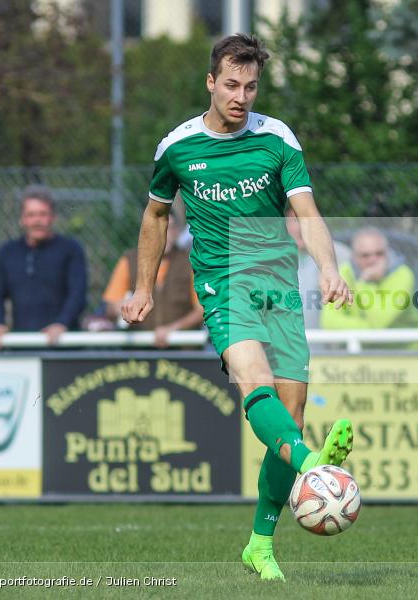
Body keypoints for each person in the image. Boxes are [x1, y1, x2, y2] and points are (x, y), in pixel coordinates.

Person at [121, 34, 354, 581]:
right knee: (256, 385)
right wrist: (144, 287)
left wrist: (327, 267)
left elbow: (307, 212)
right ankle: (315, 468)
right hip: (223, 285)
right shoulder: (177, 147)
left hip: (278, 283)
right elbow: (156, 217)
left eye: (250, 86)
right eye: (231, 84)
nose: (241, 96)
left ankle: (259, 544)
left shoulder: (276, 138)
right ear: (210, 82)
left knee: (288, 421)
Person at [0, 186, 87, 349]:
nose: (37, 221)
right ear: (22, 219)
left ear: (53, 217)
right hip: (21, 345)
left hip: (62, 345)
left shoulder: (71, 249)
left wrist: (62, 324)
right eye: (31, 215)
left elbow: (78, 294)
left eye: (43, 214)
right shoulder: (7, 252)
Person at [102, 210, 204, 346]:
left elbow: (202, 310)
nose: (164, 233)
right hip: (138, 349)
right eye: (158, 227)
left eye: (170, 228)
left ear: (178, 231)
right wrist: (121, 309)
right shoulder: (130, 260)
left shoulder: (190, 261)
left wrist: (172, 329)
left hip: (182, 348)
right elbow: (111, 306)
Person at [321, 226, 418, 335]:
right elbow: (329, 322)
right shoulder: (344, 272)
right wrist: (368, 329)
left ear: (387, 253)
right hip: (357, 347)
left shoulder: (403, 274)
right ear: (354, 256)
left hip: (405, 349)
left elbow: (380, 321)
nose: (372, 260)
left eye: (379, 254)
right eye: (365, 255)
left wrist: (366, 282)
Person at [285, 206, 350, 331]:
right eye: (295, 220)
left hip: (328, 344)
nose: (301, 227)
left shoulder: (341, 254)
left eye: (307, 219)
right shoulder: (271, 258)